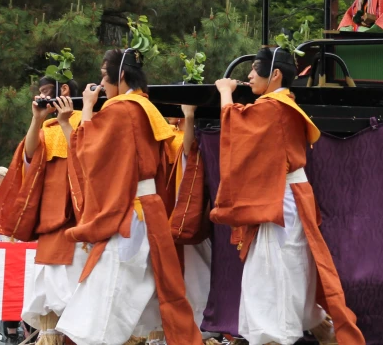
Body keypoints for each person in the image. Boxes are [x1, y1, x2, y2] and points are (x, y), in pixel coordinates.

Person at [211, 47, 365, 345]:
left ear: (276, 74)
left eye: (255, 69)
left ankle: (274, 336)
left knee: (273, 266)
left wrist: (225, 92)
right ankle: (318, 324)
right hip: (288, 194)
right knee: (291, 263)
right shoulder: (282, 103)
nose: (249, 75)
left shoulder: (272, 106)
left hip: (280, 197)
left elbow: (236, 129)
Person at [55, 48, 201, 345]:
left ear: (120, 74)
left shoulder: (121, 109)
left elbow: (89, 155)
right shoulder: (144, 107)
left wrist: (86, 109)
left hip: (130, 215)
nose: (100, 83)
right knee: (146, 292)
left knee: (110, 291)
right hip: (149, 210)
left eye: (102, 75)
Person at [0, 76, 85, 345]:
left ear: (64, 90)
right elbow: (29, 156)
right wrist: (36, 118)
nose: (42, 98)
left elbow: (90, 159)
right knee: (49, 293)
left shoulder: (88, 117)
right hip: (50, 219)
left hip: (81, 214)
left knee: (81, 291)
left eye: (47, 93)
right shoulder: (48, 126)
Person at [168, 104, 218, 345]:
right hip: (182, 209)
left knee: (200, 273)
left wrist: (188, 117)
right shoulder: (170, 136)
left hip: (197, 210)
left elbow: (189, 152)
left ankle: (203, 328)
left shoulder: (197, 138)